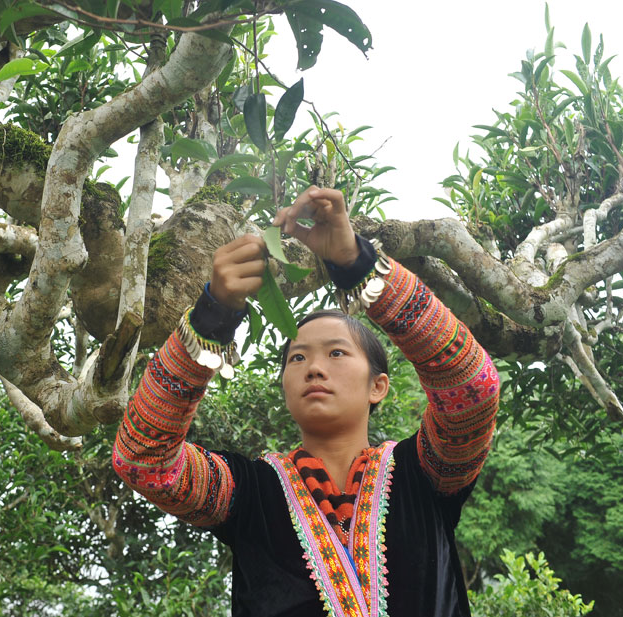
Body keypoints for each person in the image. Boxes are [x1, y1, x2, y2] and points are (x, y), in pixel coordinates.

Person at [113, 187, 500, 617]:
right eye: (297, 358)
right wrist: (212, 316)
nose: (314, 368)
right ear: (284, 385)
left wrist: (357, 262)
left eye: (336, 353)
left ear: (378, 387)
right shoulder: (248, 493)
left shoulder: (425, 474)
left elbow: (472, 387)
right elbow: (144, 461)